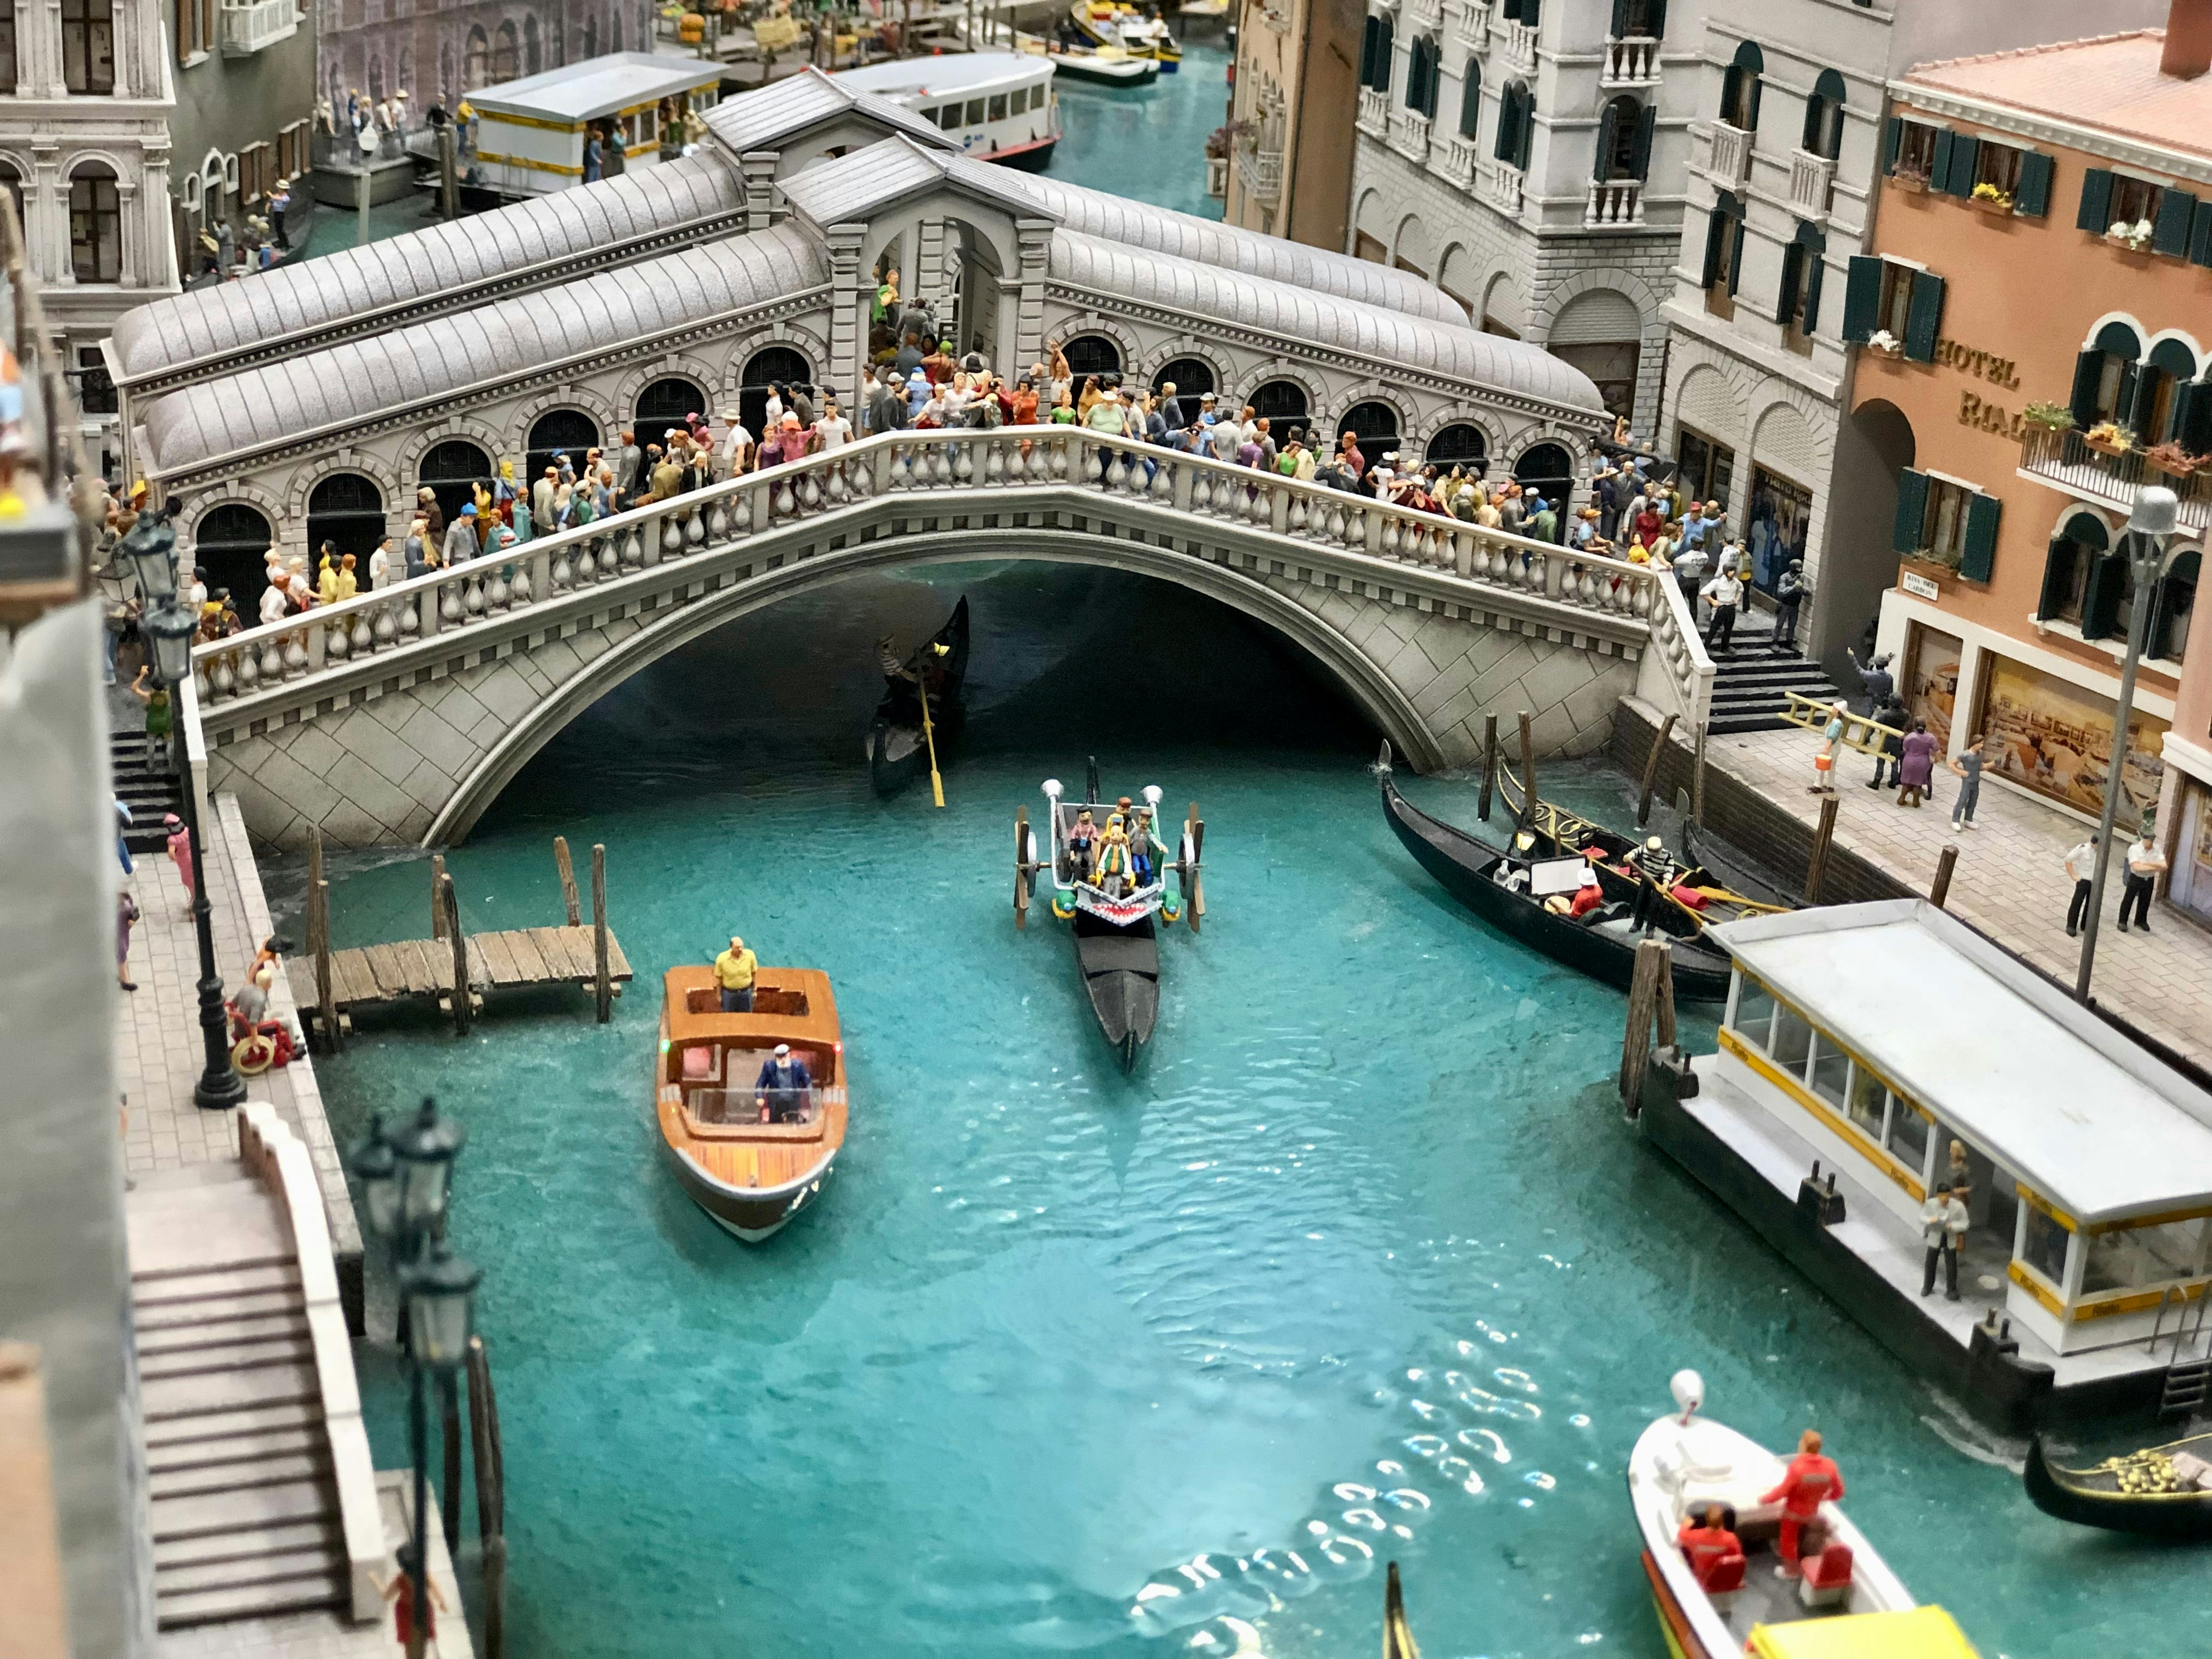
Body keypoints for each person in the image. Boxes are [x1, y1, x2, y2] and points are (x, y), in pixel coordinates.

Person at [1760, 1429, 1843, 1579]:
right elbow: (1839, 1492)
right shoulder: (1830, 1466)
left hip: (1793, 1513)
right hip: (1812, 1512)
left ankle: (1791, 1571)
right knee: (1812, 1531)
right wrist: (1823, 1498)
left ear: (1804, 1446)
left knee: (1788, 1541)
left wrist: (1766, 1499)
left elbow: (1782, 1491)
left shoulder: (1797, 1468)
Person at [1920, 1181, 1968, 1300]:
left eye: (1947, 1196)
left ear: (1950, 1195)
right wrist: (1930, 1220)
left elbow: (1965, 1223)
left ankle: (1951, 1290)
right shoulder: (1931, 1204)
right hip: (1935, 1236)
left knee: (1951, 1265)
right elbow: (1922, 1216)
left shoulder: (1958, 1206)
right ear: (1938, 1195)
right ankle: (1927, 1286)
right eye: (1942, 1196)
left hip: (1950, 1237)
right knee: (1930, 1263)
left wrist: (1952, 1226)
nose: (1945, 1199)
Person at [1676, 1502, 1740, 1589]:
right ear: (1723, 1521)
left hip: (1699, 1576)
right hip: (1719, 1577)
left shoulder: (1693, 1536)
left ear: (1707, 1520)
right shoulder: (1731, 1539)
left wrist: (1687, 1522)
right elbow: (1736, 1558)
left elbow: (1681, 1534)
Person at [2119, 828, 2169, 933]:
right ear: (2144, 840)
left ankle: (2141, 921)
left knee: (2145, 900)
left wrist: (2146, 864)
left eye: (2152, 841)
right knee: (2128, 899)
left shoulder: (2157, 849)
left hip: (2149, 879)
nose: (2150, 843)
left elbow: (2164, 865)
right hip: (2136, 877)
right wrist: (2155, 866)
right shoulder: (2135, 849)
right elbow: (2137, 867)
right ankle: (2122, 921)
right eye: (2148, 841)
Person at [755, 1042, 813, 1124]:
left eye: (784, 1057)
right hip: (776, 1103)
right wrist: (759, 1096)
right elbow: (761, 1083)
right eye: (779, 1057)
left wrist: (810, 1095)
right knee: (775, 1124)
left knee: (793, 1123)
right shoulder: (769, 1066)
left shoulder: (798, 1066)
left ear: (788, 1055)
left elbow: (807, 1081)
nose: (782, 1060)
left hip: (792, 1102)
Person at [129, 662, 171, 771]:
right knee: (170, 744)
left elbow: (134, 688)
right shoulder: (168, 695)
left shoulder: (149, 696)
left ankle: (151, 764)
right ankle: (171, 765)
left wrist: (142, 675)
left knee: (151, 744)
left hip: (152, 722)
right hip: (166, 721)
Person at [1700, 561, 1743, 654]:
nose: (1733, 573)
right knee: (1714, 628)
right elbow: (1703, 592)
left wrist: (1737, 599)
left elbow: (1741, 589)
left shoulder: (1736, 582)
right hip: (1721, 608)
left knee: (1728, 629)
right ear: (1726, 571)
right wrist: (1713, 601)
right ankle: (1706, 646)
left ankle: (1725, 646)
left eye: (1734, 570)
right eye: (1731, 570)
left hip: (1731, 608)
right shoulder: (1717, 582)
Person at [2063, 833, 2100, 937]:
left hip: (2096, 881)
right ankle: (2071, 925)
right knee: (2077, 902)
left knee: (2091, 904)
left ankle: (2086, 924)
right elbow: (2068, 860)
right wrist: (2073, 875)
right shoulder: (2083, 849)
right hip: (2084, 880)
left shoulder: (2101, 853)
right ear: (2094, 843)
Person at [1897, 719, 1938, 808]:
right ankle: (1916, 802)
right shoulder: (1931, 738)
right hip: (1923, 762)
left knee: (1906, 781)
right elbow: (1936, 748)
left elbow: (1905, 748)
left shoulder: (1910, 736)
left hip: (1909, 760)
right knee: (1918, 783)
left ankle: (1902, 798)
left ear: (1915, 727)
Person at [1948, 737, 1984, 832]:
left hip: (1976, 780)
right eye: (1980, 743)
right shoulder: (1965, 755)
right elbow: (1951, 764)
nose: (1982, 746)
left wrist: (1993, 764)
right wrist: (1962, 772)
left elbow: (1981, 767)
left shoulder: (1979, 754)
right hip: (1968, 781)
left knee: (1973, 801)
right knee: (1963, 799)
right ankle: (1955, 820)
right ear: (1975, 743)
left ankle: (1968, 819)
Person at [1810, 699, 1846, 795]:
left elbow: (1832, 736)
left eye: (1834, 709)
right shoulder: (1838, 722)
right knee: (1831, 767)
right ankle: (1830, 785)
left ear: (1838, 712)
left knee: (1822, 765)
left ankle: (1818, 785)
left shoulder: (1836, 724)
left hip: (1831, 749)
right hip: (1835, 749)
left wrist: (1827, 747)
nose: (1833, 710)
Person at [713, 934, 757, 1013]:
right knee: (728, 1016)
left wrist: (754, 990)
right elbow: (719, 979)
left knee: (747, 1017)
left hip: (746, 993)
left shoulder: (750, 956)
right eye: (737, 947)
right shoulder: (722, 959)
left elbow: (753, 974)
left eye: (741, 947)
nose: (740, 949)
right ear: (731, 947)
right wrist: (719, 995)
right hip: (729, 994)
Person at [164, 812, 195, 918]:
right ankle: (193, 897)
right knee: (193, 877)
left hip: (183, 859)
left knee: (188, 879)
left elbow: (171, 854)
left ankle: (194, 901)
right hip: (191, 854)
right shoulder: (186, 831)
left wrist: (174, 859)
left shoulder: (173, 839)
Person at [1773, 559, 1806, 653]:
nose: (1799, 570)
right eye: (1797, 567)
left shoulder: (1802, 577)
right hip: (1785, 604)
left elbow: (1808, 592)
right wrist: (1793, 588)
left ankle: (1790, 640)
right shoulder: (1785, 577)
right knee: (1780, 624)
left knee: (1792, 624)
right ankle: (1775, 640)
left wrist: (1801, 589)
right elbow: (1781, 591)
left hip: (1795, 605)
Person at [1848, 648, 1894, 714]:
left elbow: (1858, 669)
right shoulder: (1889, 678)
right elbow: (1890, 692)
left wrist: (1852, 657)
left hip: (1869, 701)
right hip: (1882, 703)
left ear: (1876, 664)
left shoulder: (1870, 675)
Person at [116, 886, 139, 992]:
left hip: (121, 930)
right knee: (121, 954)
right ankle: (125, 981)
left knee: (121, 952)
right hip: (117, 933)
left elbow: (134, 911)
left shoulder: (124, 897)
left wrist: (132, 919)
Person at [1065, 808, 1098, 881]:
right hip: (1079, 847)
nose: (1086, 818)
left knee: (1091, 862)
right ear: (1079, 817)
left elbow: (1095, 834)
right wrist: (1073, 839)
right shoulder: (1077, 827)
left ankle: (1092, 876)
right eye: (1083, 816)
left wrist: (1096, 837)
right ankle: (1078, 878)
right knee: (1077, 862)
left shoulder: (1092, 827)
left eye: (1088, 816)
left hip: (1087, 847)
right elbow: (1073, 834)